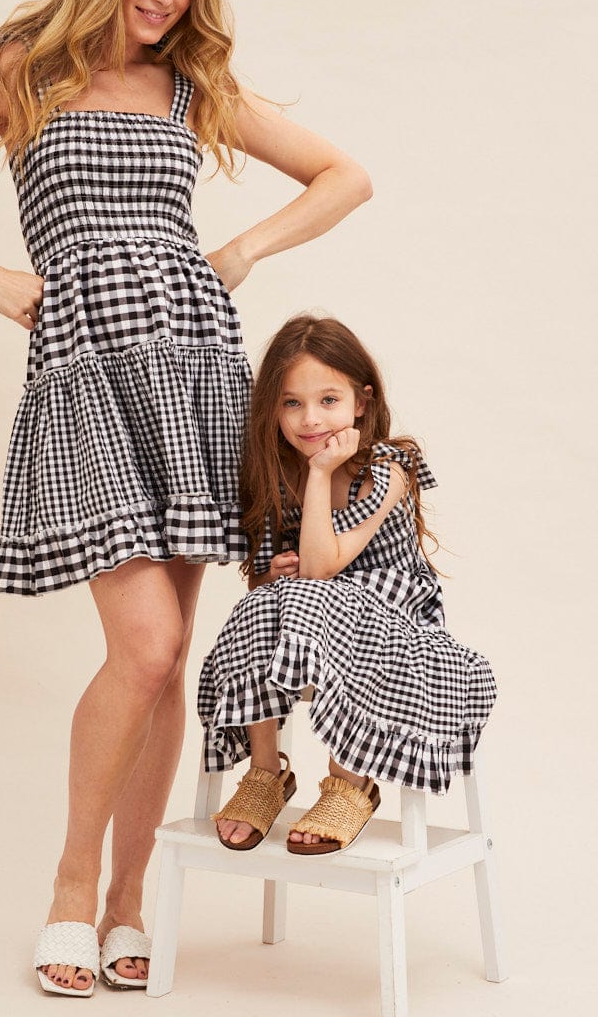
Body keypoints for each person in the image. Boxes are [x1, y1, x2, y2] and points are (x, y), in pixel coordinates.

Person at [0, 0, 372, 995]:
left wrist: (239, 252)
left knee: (168, 656)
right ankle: (68, 889)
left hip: (195, 368)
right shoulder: (21, 67)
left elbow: (345, 176)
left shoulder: (192, 86)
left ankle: (129, 904)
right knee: (141, 647)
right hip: (85, 373)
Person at [198, 314, 497, 853]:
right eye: (292, 403)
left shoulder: (386, 469)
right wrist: (274, 572)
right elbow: (265, 580)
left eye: (328, 400)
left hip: (395, 616)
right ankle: (266, 772)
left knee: (316, 593)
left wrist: (318, 474)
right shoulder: (276, 473)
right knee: (261, 606)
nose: (310, 419)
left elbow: (322, 568)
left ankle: (349, 782)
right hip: (314, 612)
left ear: (361, 402)